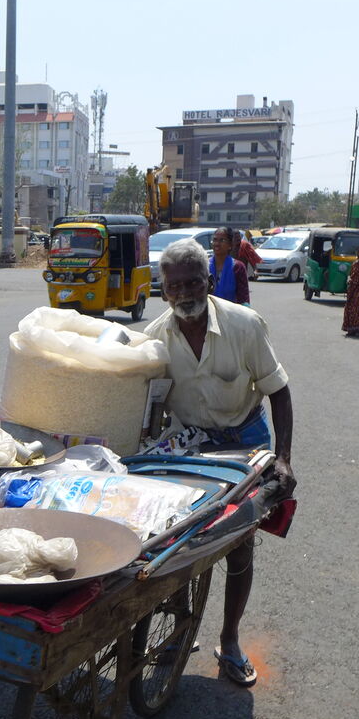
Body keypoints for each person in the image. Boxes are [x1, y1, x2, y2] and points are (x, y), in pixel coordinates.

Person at [145, 239, 295, 687]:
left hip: (246, 438)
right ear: (163, 290)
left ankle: (229, 641)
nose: (184, 293)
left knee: (239, 542)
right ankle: (179, 629)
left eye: (193, 283)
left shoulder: (244, 325)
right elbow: (147, 408)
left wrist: (283, 458)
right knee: (175, 540)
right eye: (175, 286)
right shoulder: (153, 340)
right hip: (191, 442)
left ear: (209, 282)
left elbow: (279, 392)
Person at [208, 226, 250, 305]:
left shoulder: (238, 267)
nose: (217, 244)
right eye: (215, 240)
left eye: (222, 240)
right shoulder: (205, 266)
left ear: (230, 245)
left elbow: (243, 299)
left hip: (231, 311)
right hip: (209, 311)